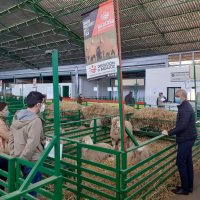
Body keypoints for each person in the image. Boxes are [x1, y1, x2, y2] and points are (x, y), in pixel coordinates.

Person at [9, 91, 45, 200]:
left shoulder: (16, 116)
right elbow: (32, 143)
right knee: (30, 193)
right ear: (38, 105)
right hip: (32, 161)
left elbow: (11, 138)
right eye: (43, 103)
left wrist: (15, 157)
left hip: (18, 158)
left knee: (24, 188)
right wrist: (23, 160)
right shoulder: (35, 120)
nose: (43, 105)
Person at [162, 89, 197, 195]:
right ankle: (189, 186)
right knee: (188, 162)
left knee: (180, 162)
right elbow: (183, 123)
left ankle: (185, 189)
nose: (175, 97)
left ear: (183, 96)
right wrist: (176, 127)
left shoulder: (185, 107)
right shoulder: (185, 106)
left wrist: (169, 132)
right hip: (188, 137)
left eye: (177, 96)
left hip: (185, 139)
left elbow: (183, 125)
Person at [0, 102, 10, 196]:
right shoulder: (0, 123)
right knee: (2, 177)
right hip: (2, 152)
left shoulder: (2, 120)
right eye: (6, 110)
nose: (7, 112)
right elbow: (8, 136)